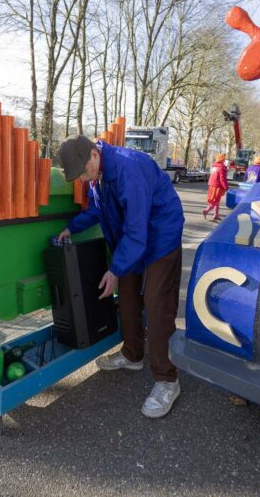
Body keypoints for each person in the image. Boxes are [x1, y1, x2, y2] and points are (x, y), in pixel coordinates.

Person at [55, 134, 185, 418]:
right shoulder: (97, 174)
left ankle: (167, 380)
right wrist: (72, 228)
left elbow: (138, 231)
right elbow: (99, 211)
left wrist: (115, 269)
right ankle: (132, 354)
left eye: (83, 172)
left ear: (93, 153)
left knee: (155, 303)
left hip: (160, 237)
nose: (83, 180)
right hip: (133, 239)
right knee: (126, 295)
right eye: (77, 176)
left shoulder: (129, 168)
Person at [203, 154, 229, 221]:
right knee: (216, 201)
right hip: (217, 186)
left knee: (216, 200)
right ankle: (206, 210)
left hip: (211, 184)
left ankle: (216, 215)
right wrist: (226, 187)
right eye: (224, 159)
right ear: (222, 160)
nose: (224, 160)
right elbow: (222, 179)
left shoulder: (215, 166)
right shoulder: (221, 167)